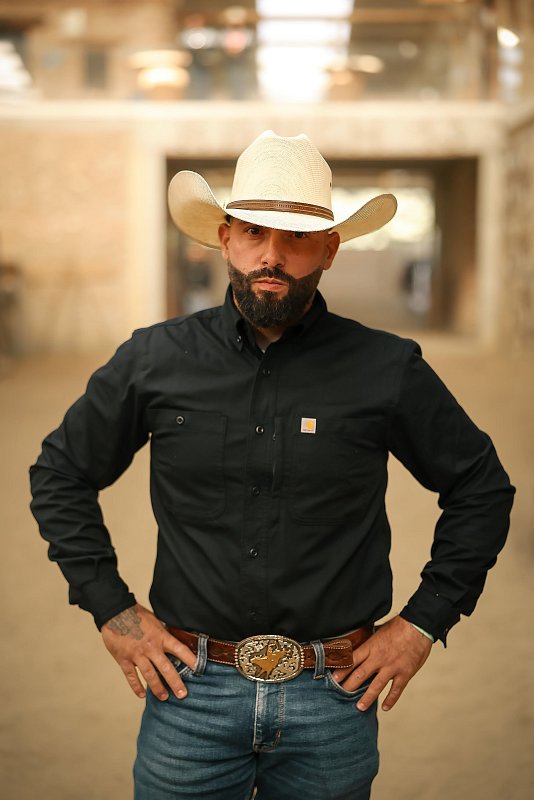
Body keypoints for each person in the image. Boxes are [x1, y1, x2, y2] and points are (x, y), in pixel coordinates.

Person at [30, 130, 514, 800]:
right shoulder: (154, 359)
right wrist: (112, 609)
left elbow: (480, 486)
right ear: (225, 238)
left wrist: (424, 621)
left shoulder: (387, 368)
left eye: (297, 239)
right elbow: (60, 472)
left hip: (334, 697)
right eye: (255, 232)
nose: (272, 257)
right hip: (190, 694)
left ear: (330, 249)